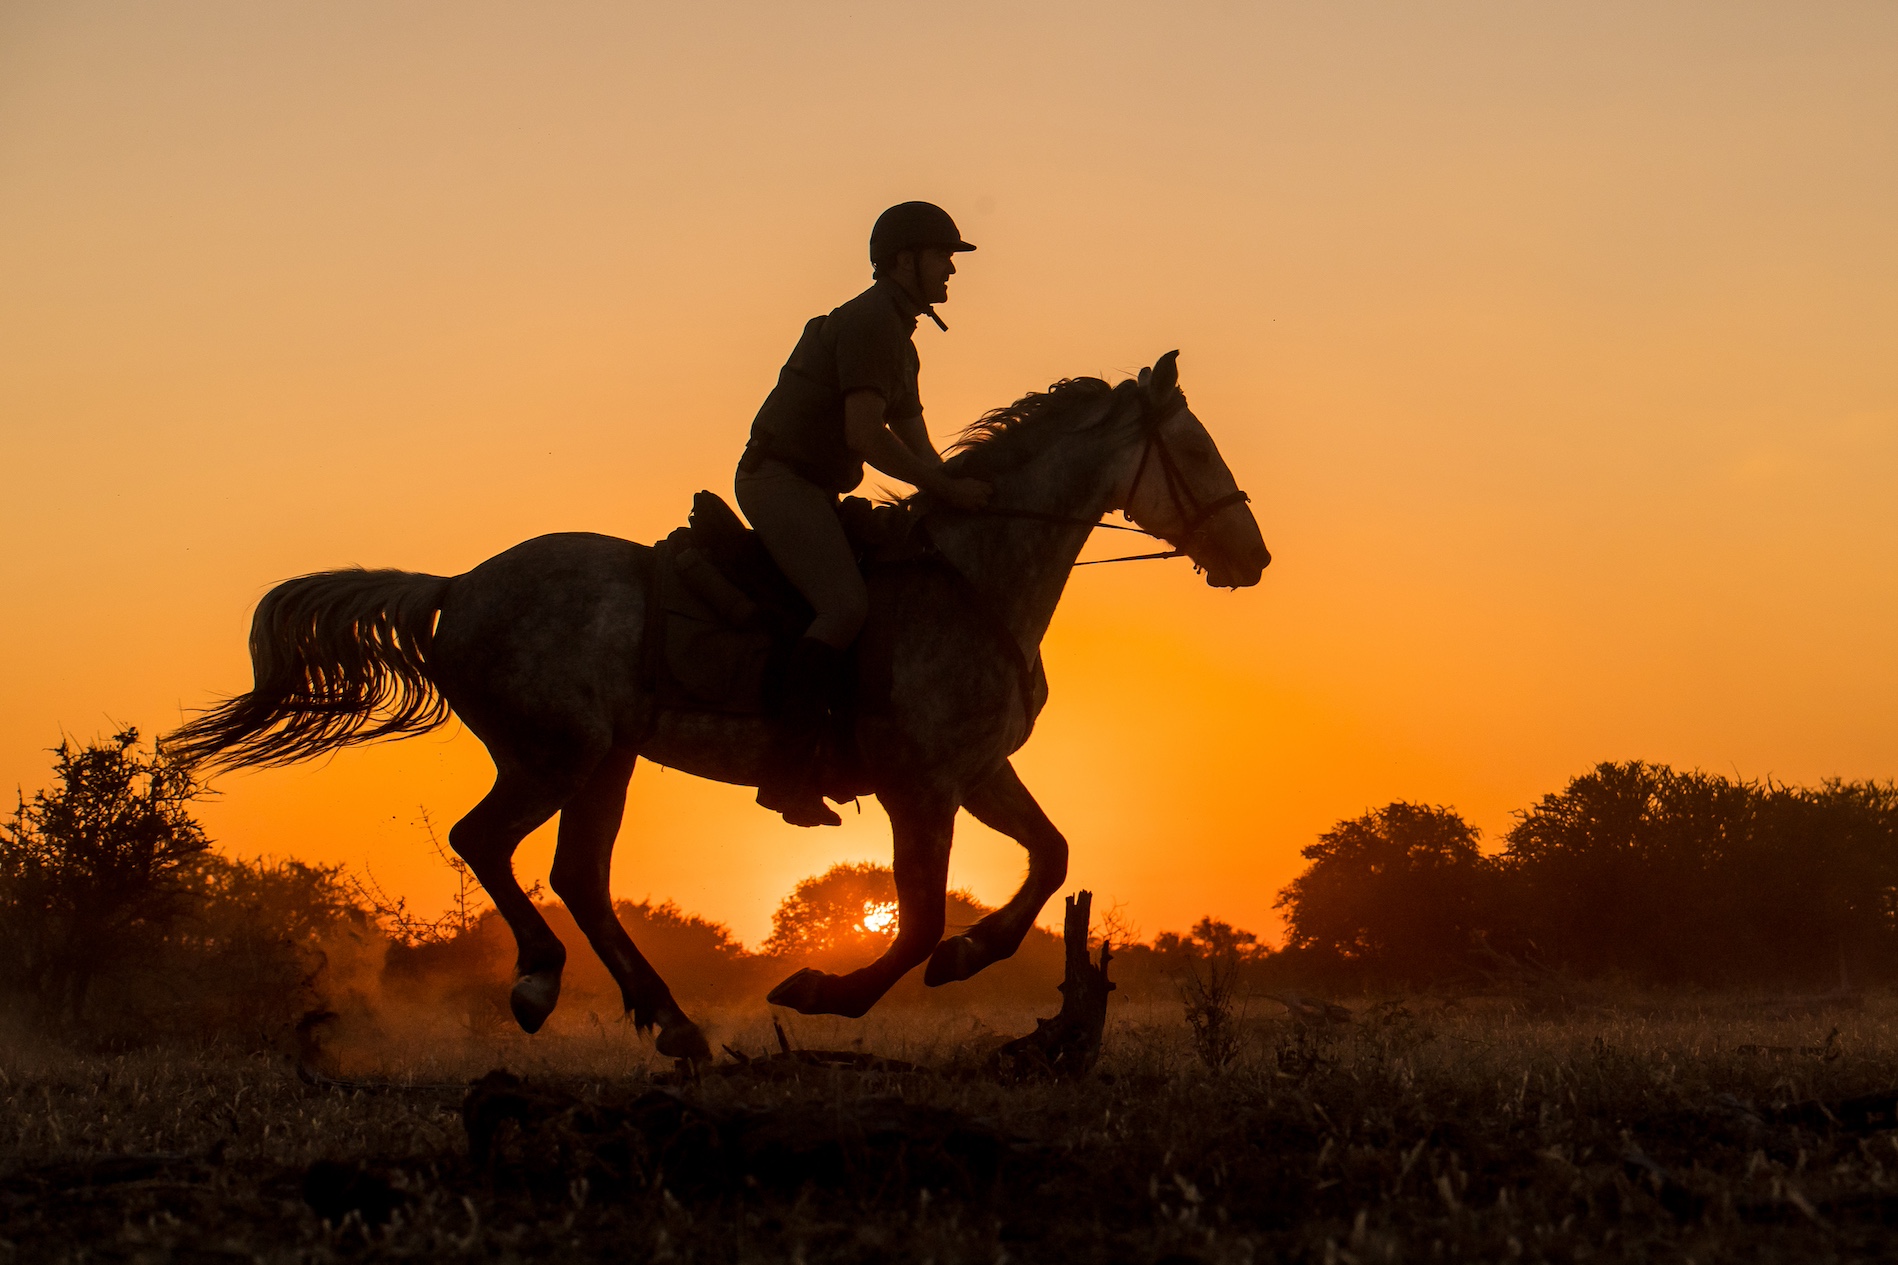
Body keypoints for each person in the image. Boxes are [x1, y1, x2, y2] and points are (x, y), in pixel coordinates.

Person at [736, 201, 992, 827]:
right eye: (943, 258)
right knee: (845, 606)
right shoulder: (873, 324)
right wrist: (944, 489)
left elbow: (920, 448)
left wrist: (970, 489)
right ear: (906, 262)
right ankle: (787, 774)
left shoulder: (901, 340)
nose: (951, 272)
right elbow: (864, 436)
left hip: (813, 488)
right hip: (779, 481)